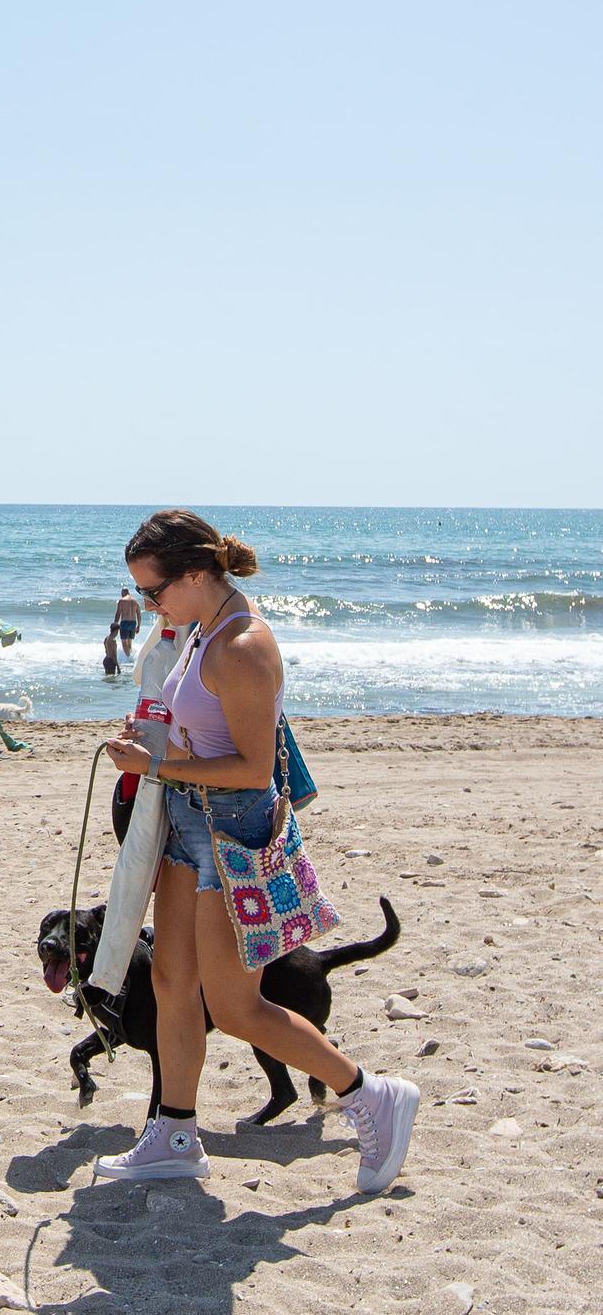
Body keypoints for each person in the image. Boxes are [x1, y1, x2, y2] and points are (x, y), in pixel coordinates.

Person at [98, 509, 419, 1194]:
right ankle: (175, 1135)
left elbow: (250, 772)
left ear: (194, 574)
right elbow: (200, 737)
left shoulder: (242, 644)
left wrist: (158, 768)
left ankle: (370, 1094)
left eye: (155, 591)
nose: (149, 605)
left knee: (237, 1006)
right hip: (188, 822)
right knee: (170, 982)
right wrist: (152, 738)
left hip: (232, 835)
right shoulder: (197, 629)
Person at [113, 586, 141, 658]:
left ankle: (128, 657)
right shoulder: (135, 601)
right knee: (129, 642)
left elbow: (118, 613)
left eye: (121, 593)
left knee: (124, 643)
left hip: (125, 622)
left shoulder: (122, 600)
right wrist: (138, 626)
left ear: (123, 592)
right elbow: (138, 614)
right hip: (133, 623)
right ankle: (130, 657)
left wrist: (115, 623)